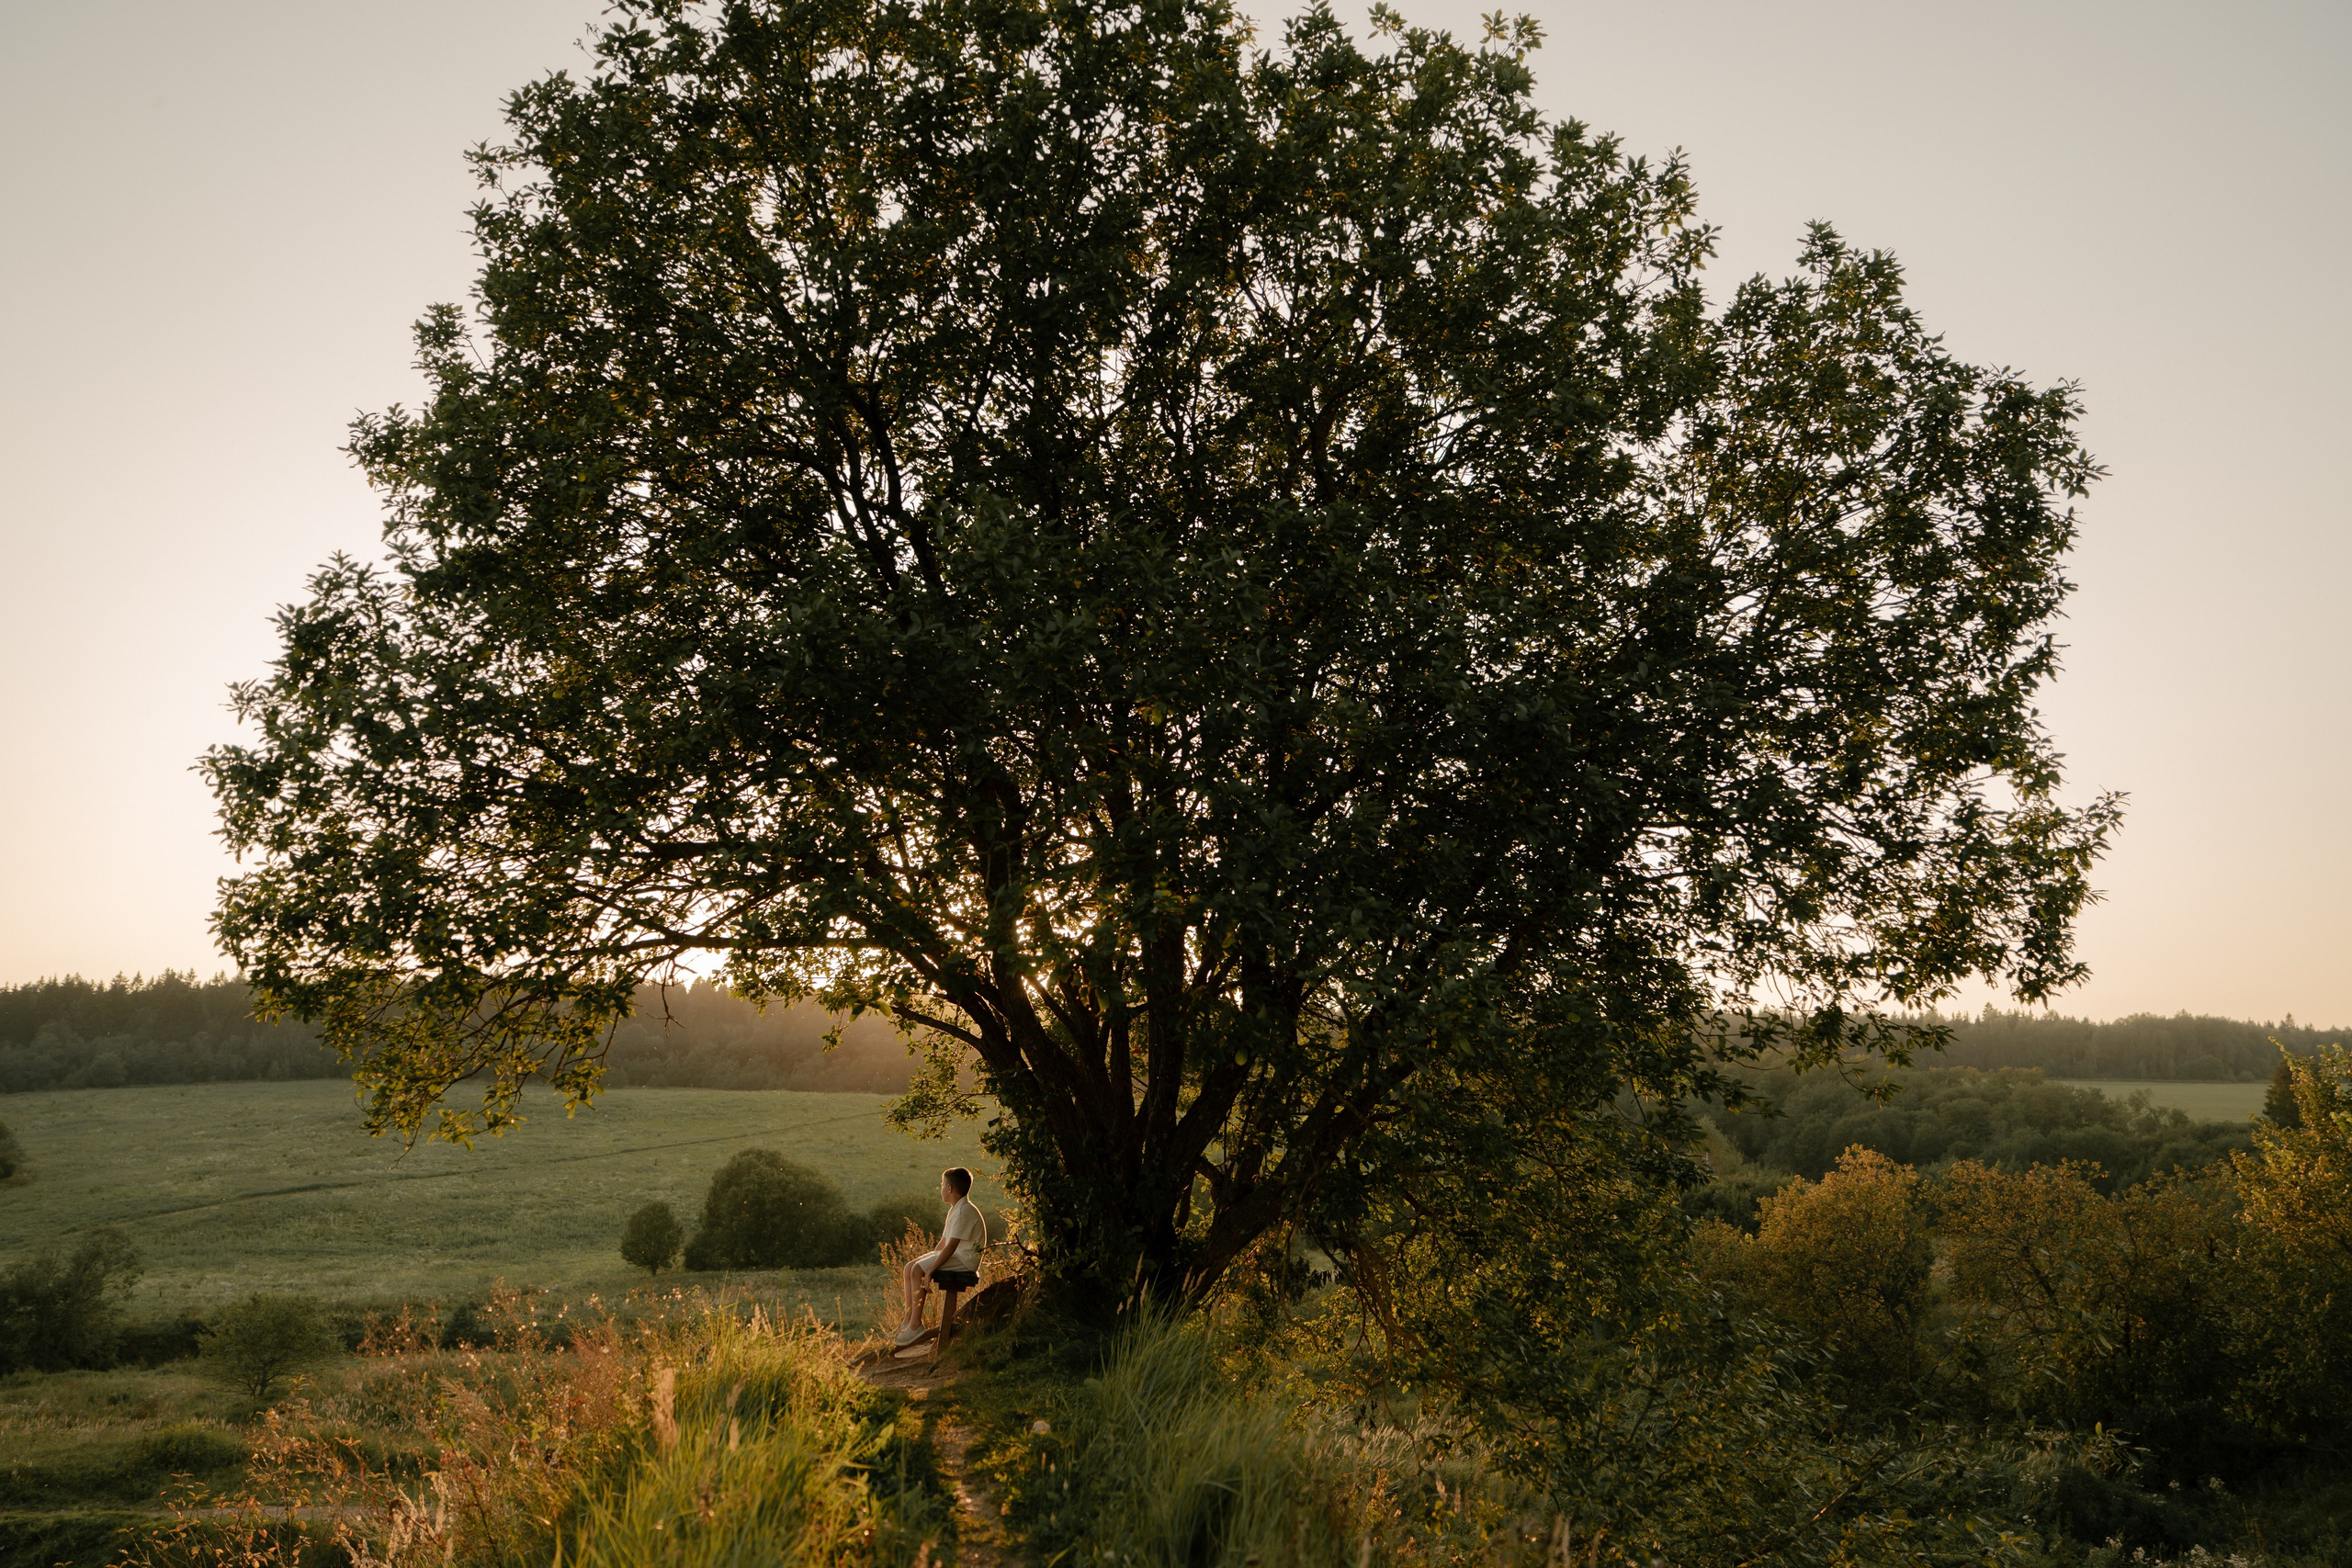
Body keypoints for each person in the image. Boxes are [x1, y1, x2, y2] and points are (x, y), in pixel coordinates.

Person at [893, 1167, 987, 1346]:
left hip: (966, 1260)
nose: (941, 1189)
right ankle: (907, 1320)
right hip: (957, 1255)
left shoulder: (964, 1211)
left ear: (950, 1188)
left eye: (942, 1185)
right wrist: (929, 1259)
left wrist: (929, 1270)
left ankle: (915, 1325)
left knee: (917, 1270)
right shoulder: (955, 1209)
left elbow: (951, 1247)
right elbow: (943, 1243)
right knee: (909, 1267)